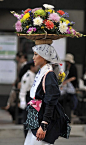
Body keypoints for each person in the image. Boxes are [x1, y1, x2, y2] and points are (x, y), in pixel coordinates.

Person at [24, 44, 71, 145]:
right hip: (36, 119)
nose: (33, 58)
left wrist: (44, 125)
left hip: (42, 121)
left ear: (44, 57)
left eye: (36, 54)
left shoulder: (49, 75)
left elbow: (50, 102)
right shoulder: (42, 72)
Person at [18, 61, 38, 137]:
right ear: (31, 67)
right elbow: (23, 90)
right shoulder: (27, 76)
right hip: (28, 98)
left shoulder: (34, 75)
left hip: (34, 99)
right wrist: (22, 100)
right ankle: (27, 136)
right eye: (35, 66)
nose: (37, 68)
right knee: (27, 119)